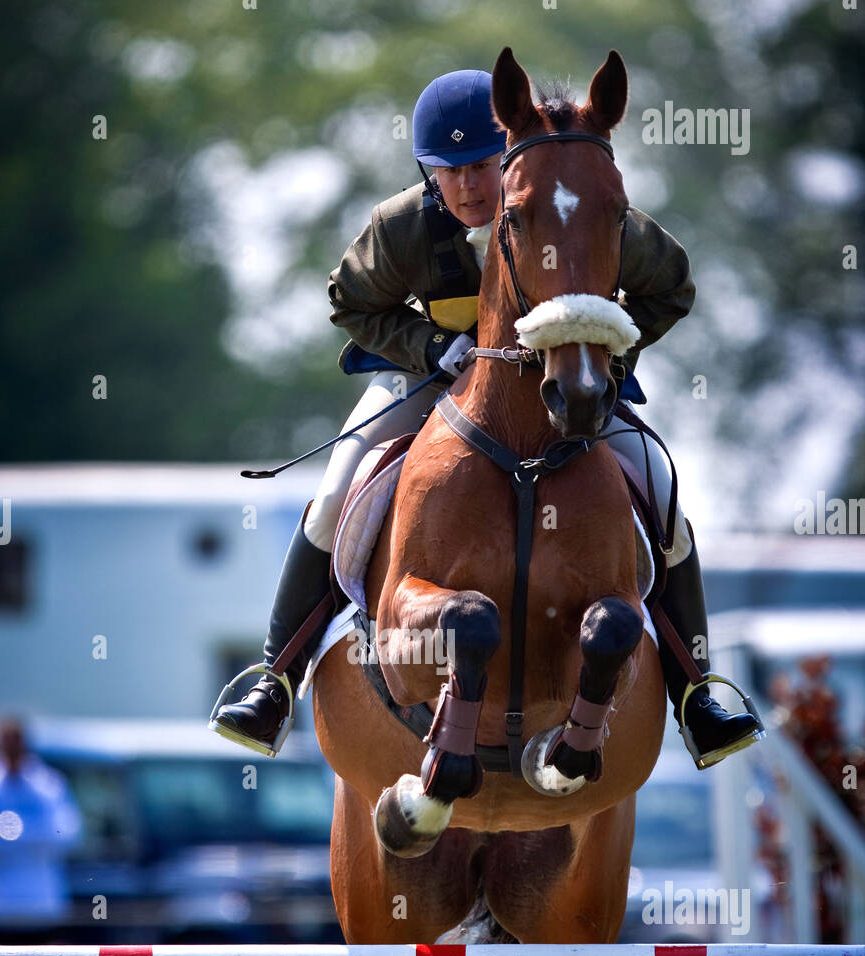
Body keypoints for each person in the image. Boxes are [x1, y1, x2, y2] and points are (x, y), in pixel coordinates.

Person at [212, 68, 762, 770]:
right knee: (334, 493)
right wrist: (432, 346)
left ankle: (697, 694)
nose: (470, 186)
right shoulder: (403, 226)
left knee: (664, 494)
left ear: (509, 158)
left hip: (562, 384)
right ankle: (276, 679)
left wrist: (608, 359)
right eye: (450, 172)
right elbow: (351, 303)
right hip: (428, 379)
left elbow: (672, 288)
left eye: (480, 167)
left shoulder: (568, 204)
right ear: (428, 175)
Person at [0, 717, 82, 939]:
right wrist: (38, 833)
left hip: (43, 909)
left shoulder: (48, 783)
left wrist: (10, 832)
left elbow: (69, 834)